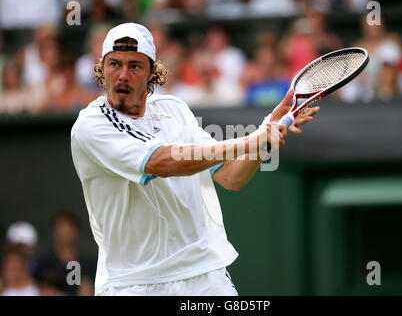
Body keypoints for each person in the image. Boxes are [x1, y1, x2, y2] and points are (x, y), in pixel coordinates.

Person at [70, 22, 319, 296]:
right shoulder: (91, 125)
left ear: (153, 72)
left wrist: (264, 140)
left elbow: (231, 177)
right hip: (132, 284)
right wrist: (253, 138)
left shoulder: (175, 111)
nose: (122, 75)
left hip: (204, 276)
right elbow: (163, 162)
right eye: (114, 64)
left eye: (135, 66)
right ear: (101, 68)